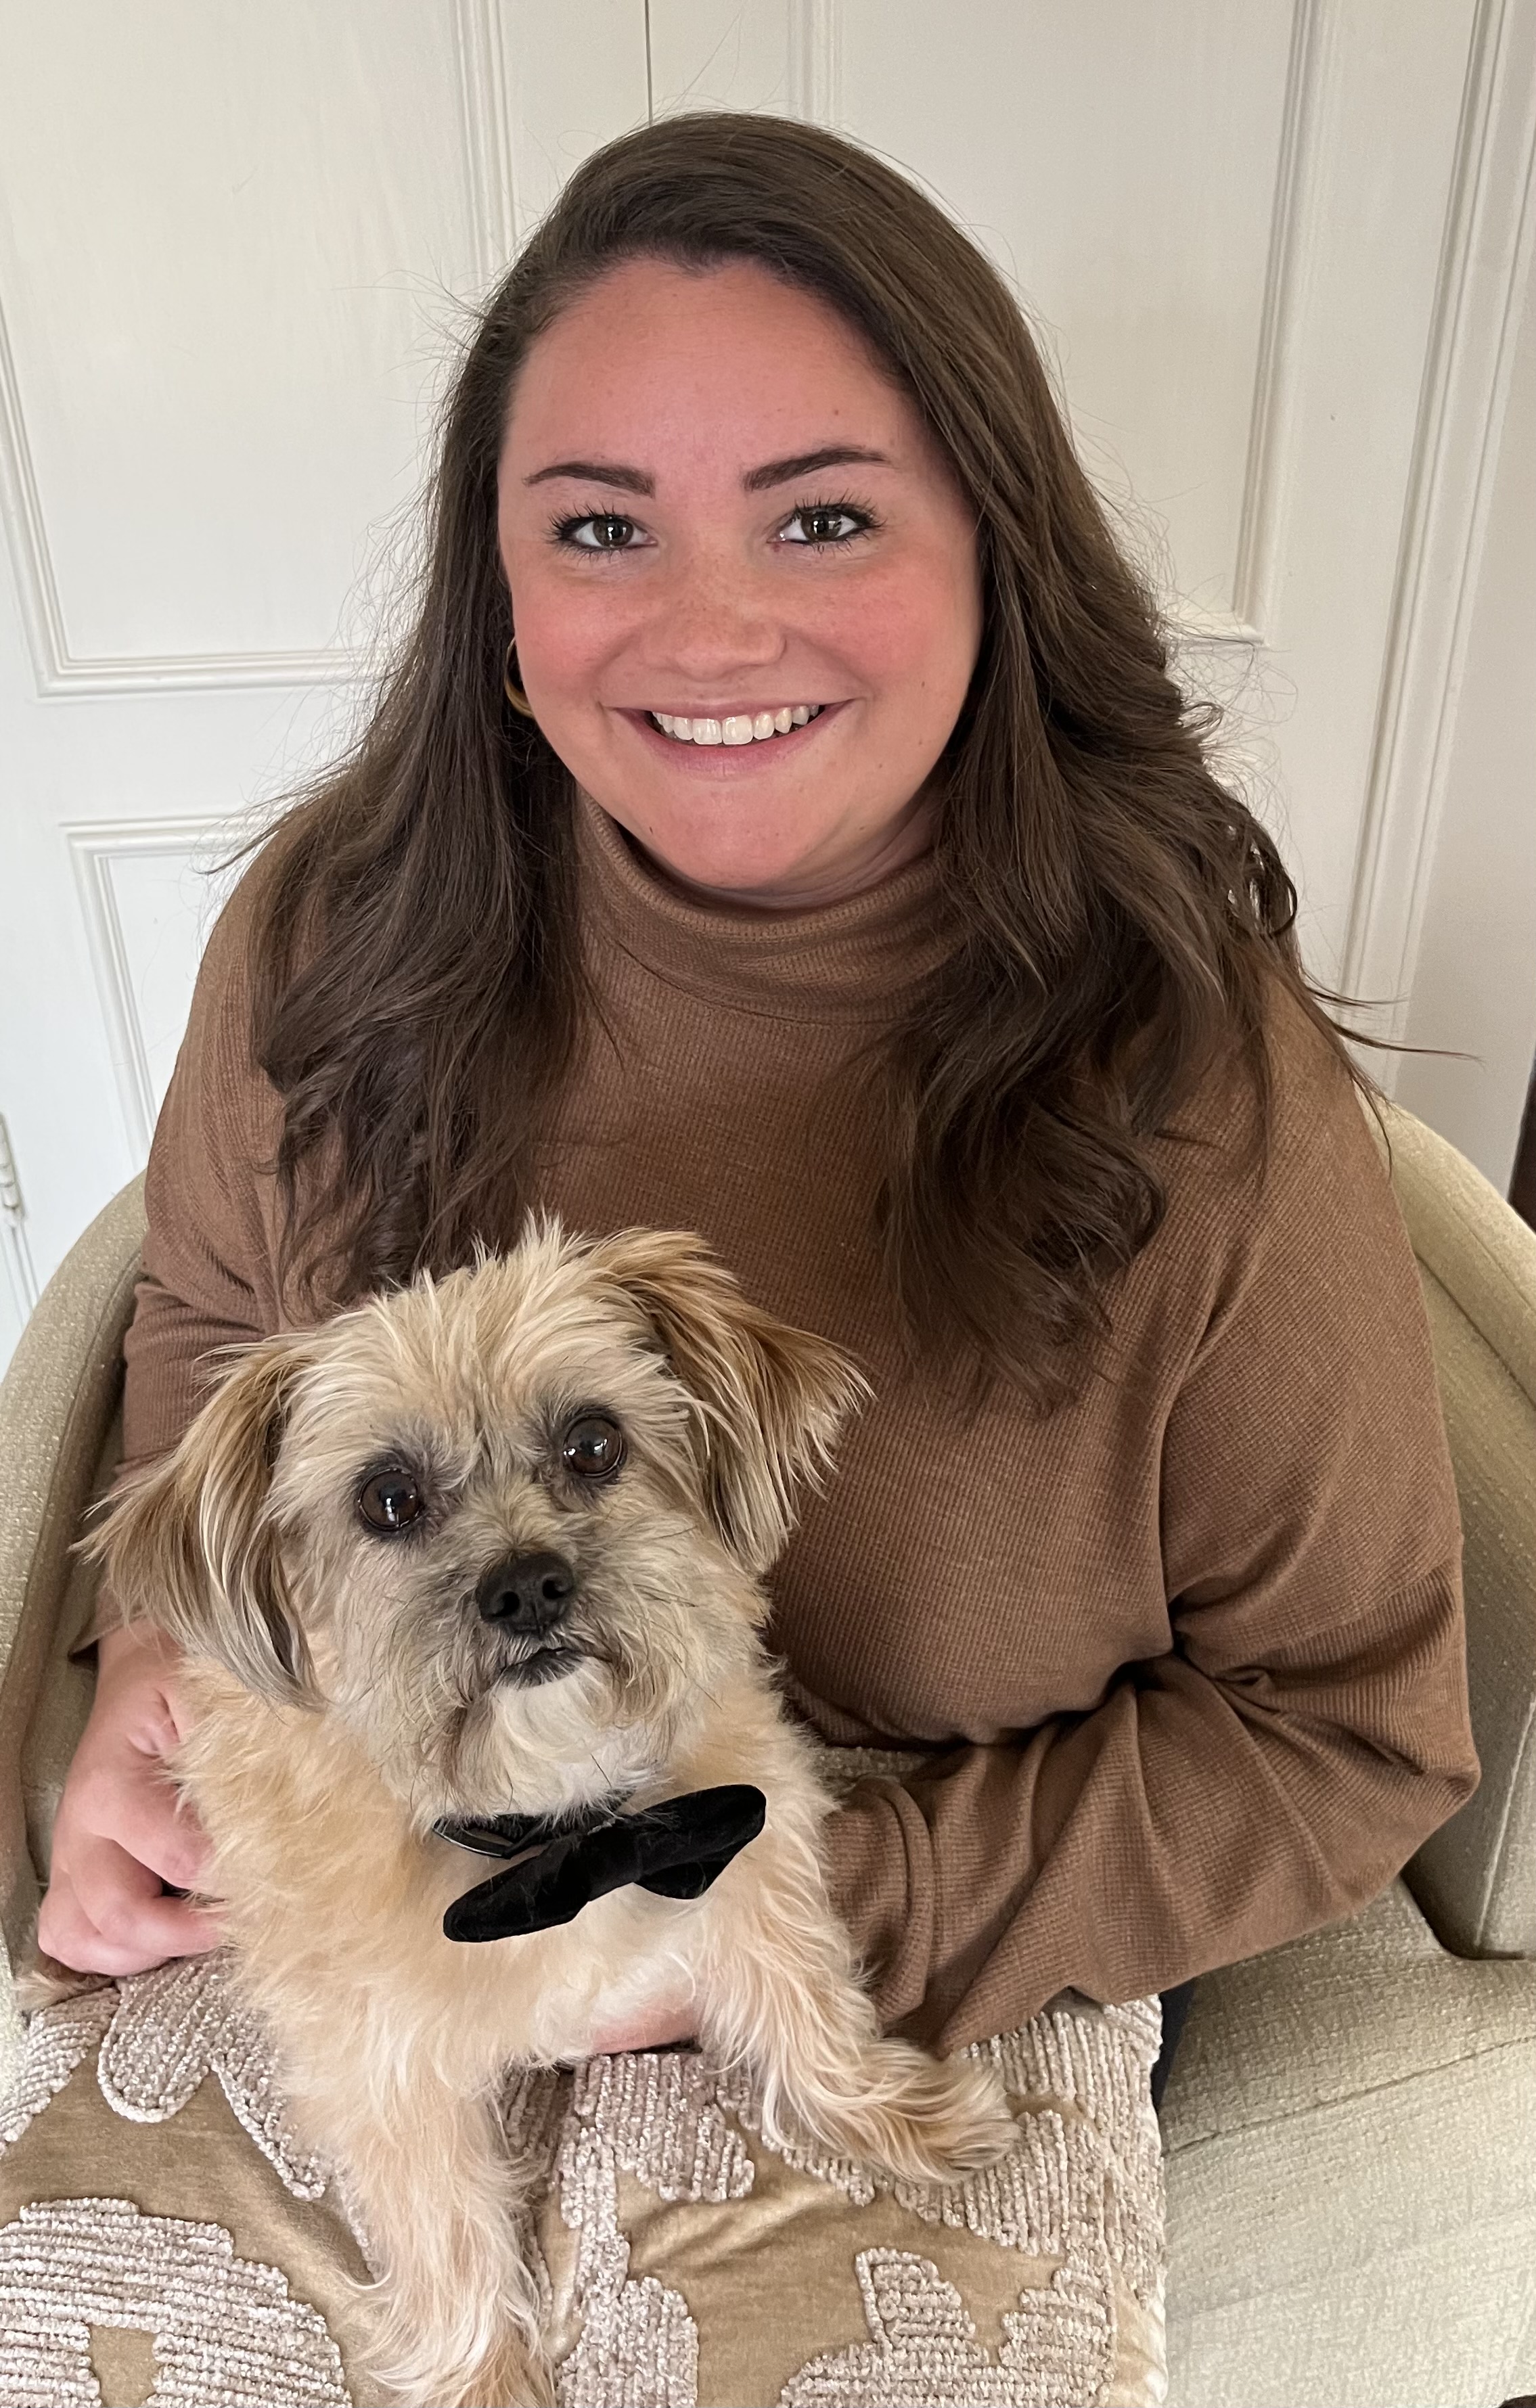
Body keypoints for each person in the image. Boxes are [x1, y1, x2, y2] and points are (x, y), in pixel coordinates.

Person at [43, 108, 1474, 2170]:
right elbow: (206, 1314)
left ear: (997, 547)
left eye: (821, 521)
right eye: (601, 528)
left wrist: (747, 1926)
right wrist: (155, 1679)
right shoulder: (336, 918)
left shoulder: (1199, 1078)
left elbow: (1353, 1727)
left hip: (895, 1925)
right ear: (500, 596)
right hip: (380, 1870)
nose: (707, 633)